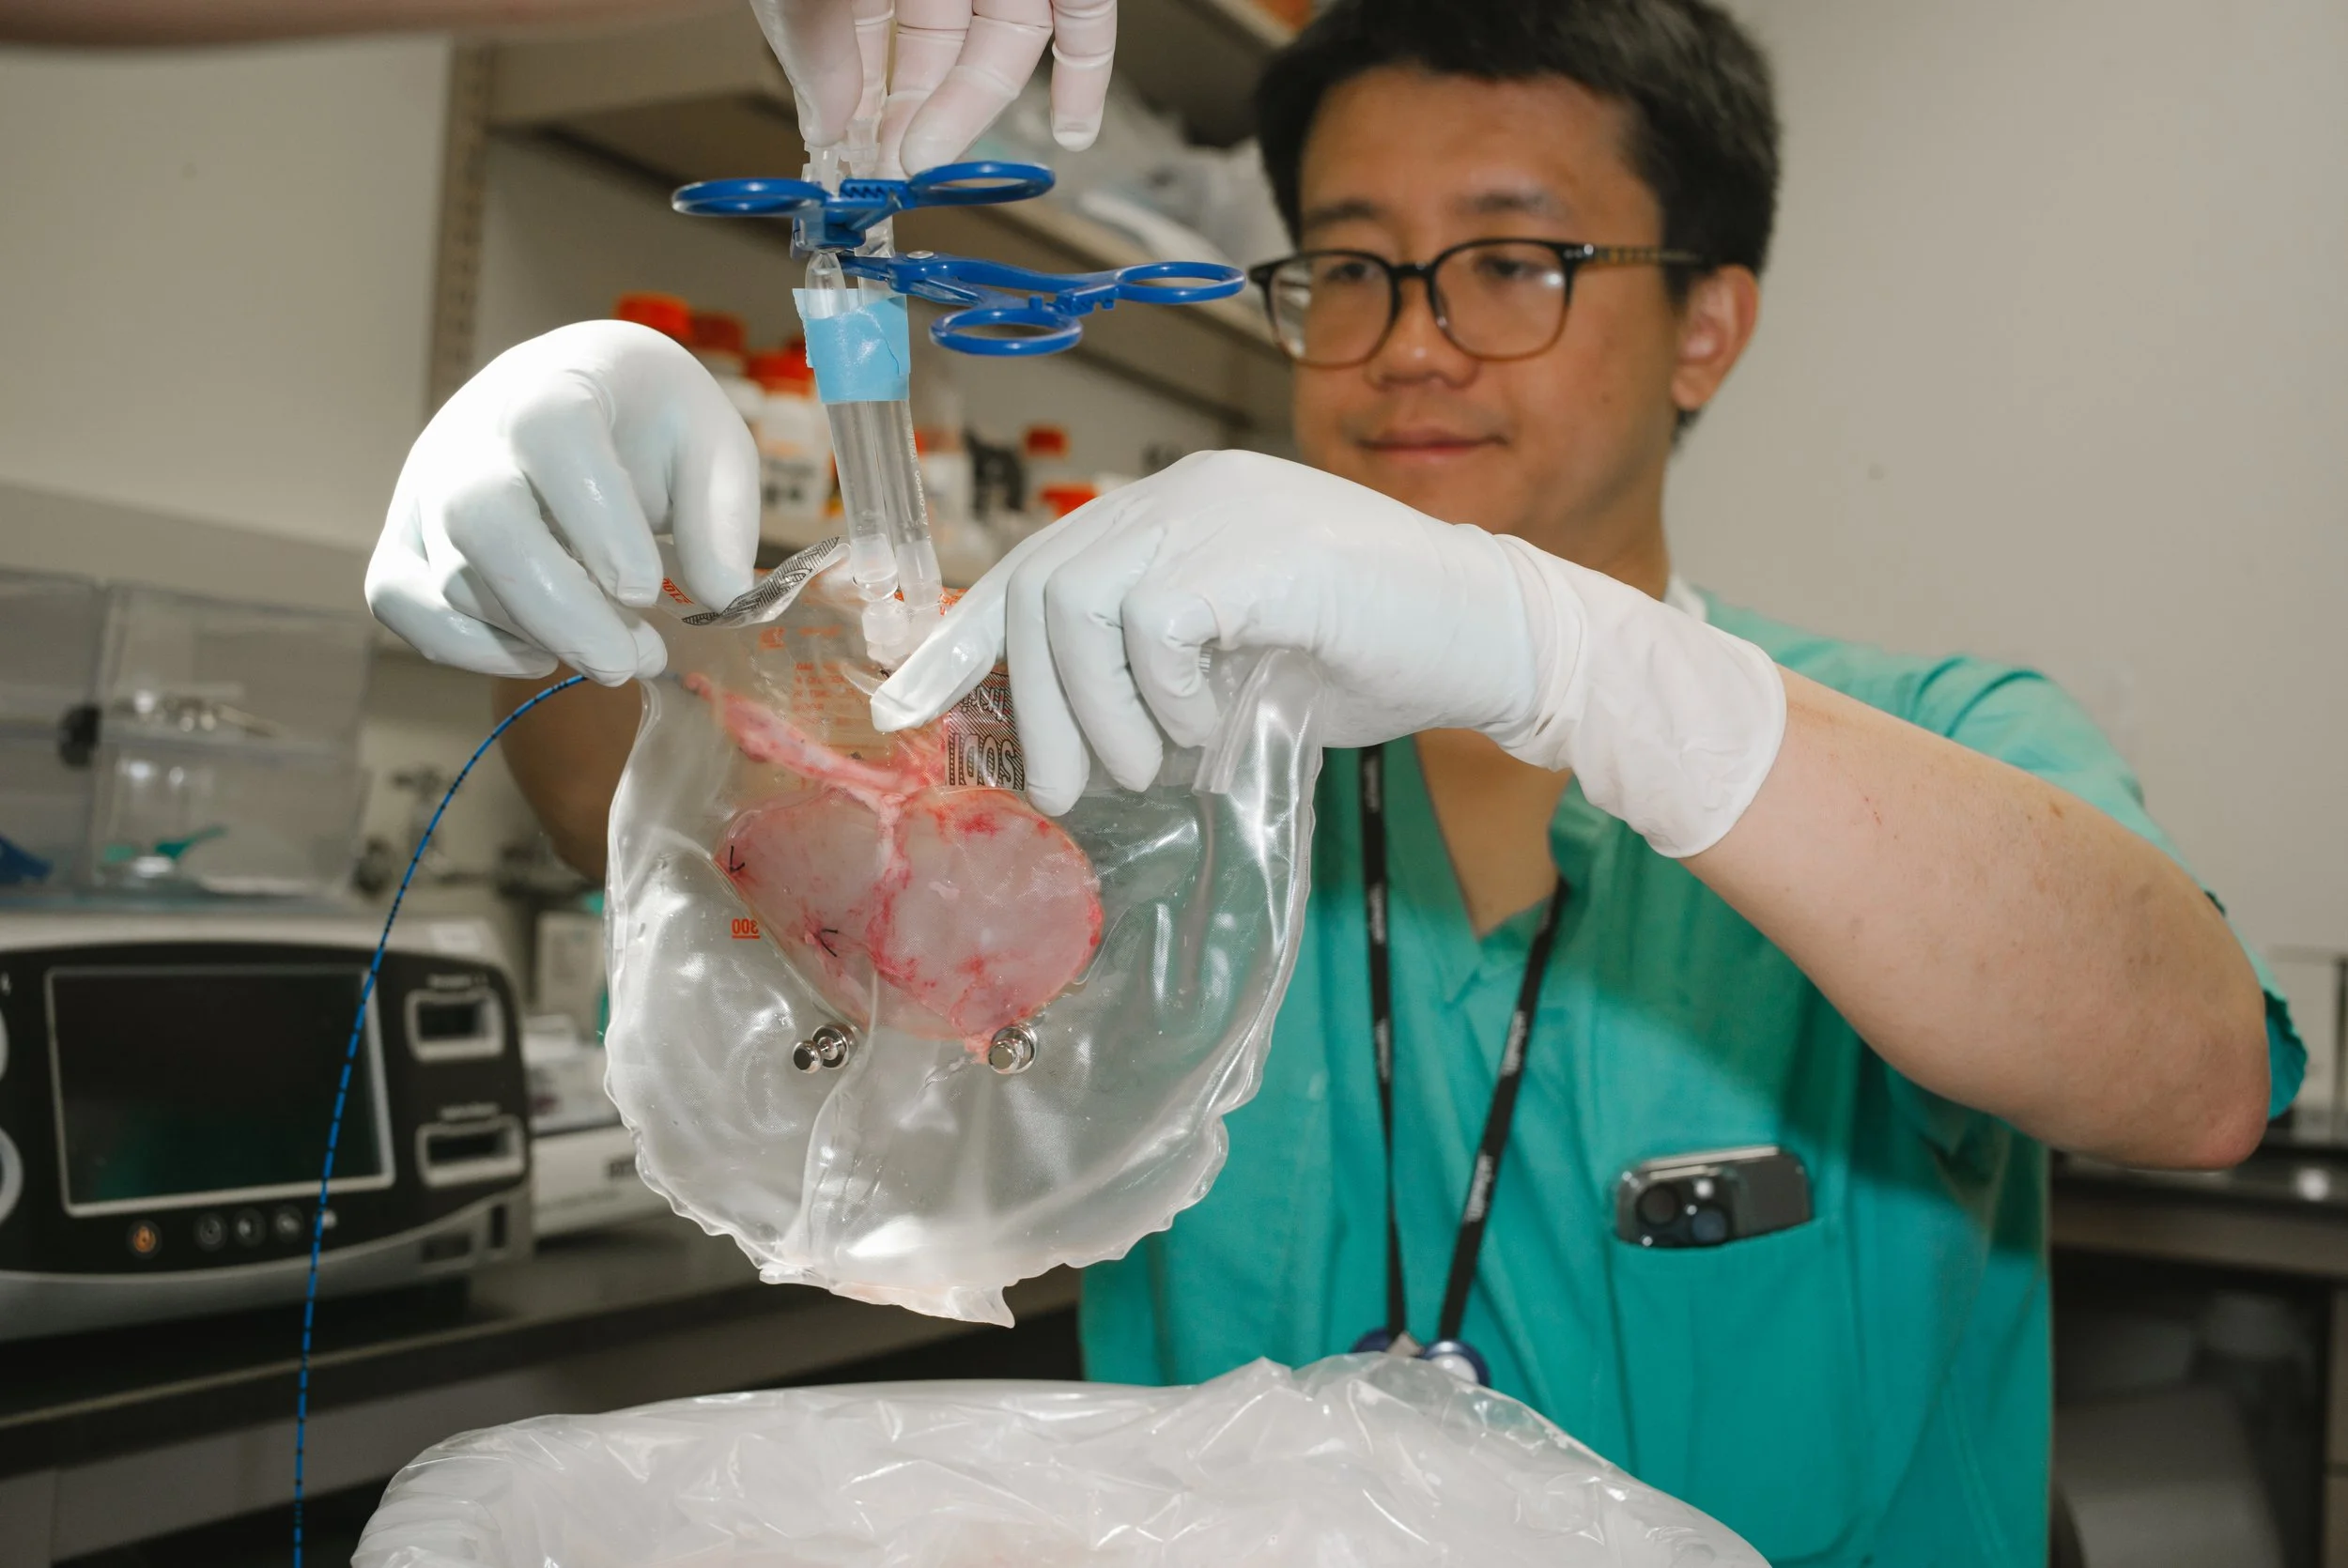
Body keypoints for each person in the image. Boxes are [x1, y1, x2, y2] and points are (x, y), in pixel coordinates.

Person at [364, 0, 2303, 1560]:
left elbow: (2189, 1064)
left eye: (1513, 266)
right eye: (1350, 270)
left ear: (1704, 323)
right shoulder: (1131, 758)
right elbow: (758, 892)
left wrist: (1575, 664)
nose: (1408, 346)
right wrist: (551, 600)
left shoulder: (1912, 736)